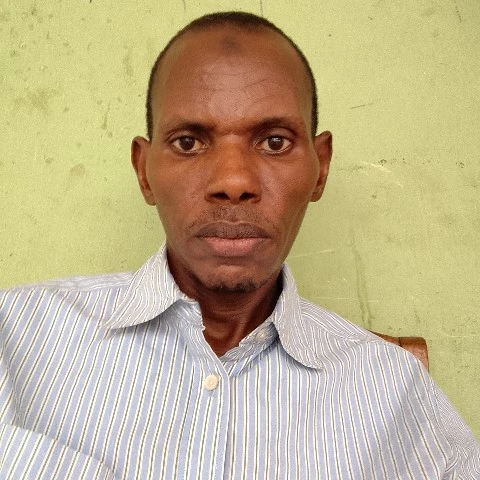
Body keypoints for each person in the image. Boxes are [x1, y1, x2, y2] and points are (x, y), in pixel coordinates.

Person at [0, 11, 478, 480]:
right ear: (144, 171)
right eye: (188, 142)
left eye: (275, 142)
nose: (233, 182)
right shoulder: (15, 337)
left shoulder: (395, 391)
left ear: (321, 168)